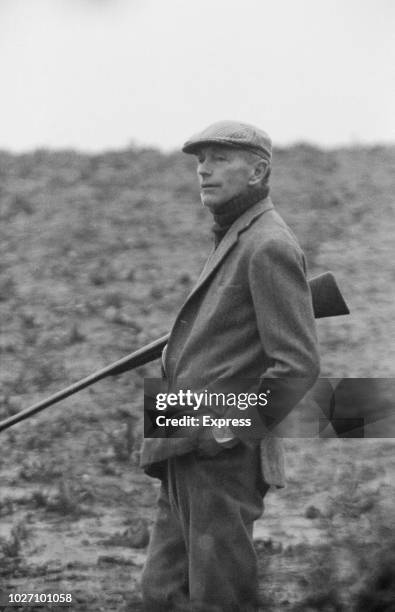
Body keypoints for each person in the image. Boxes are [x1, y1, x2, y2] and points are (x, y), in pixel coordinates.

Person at [139, 120, 320, 611]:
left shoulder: (268, 245)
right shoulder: (234, 236)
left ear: (259, 170)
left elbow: (298, 366)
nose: (204, 171)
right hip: (183, 433)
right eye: (201, 161)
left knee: (221, 595)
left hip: (219, 450)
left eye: (220, 159)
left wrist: (227, 430)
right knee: (162, 593)